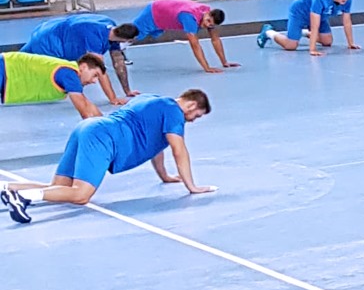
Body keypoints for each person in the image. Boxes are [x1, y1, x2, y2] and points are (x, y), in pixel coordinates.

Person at [2, 90, 213, 221]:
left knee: (61, 187)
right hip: (103, 137)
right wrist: (192, 187)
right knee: (81, 195)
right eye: (197, 115)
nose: (193, 120)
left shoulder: (153, 99)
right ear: (192, 105)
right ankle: (23, 197)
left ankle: (6, 188)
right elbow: (179, 150)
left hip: (87, 127)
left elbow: (156, 146)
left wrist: (164, 176)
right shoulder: (175, 113)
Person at [21, 12, 140, 96]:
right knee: (25, 67)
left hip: (52, 28)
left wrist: (127, 91)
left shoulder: (111, 28)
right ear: (125, 39)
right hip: (48, 42)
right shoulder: (95, 39)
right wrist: (113, 99)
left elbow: (119, 63)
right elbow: (99, 71)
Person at [2, 51, 116, 119]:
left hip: (7, 75)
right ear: (84, 67)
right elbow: (85, 113)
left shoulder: (70, 74)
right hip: (5, 68)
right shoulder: (70, 73)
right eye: (95, 75)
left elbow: (87, 104)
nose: (94, 81)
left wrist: (104, 123)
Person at [133, 0, 234, 74]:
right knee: (132, 35)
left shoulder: (207, 14)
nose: (208, 25)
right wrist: (207, 68)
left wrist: (224, 62)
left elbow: (215, 39)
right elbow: (195, 45)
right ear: (208, 14)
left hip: (164, 17)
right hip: (154, 11)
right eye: (208, 21)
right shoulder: (189, 17)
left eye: (211, 25)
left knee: (138, 35)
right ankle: (122, 51)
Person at [258, 0, 360, 56]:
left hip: (321, 15)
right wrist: (312, 49)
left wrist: (350, 43)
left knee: (327, 42)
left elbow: (347, 22)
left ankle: (303, 32)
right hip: (300, 13)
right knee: (291, 46)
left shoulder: (347, 0)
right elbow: (314, 25)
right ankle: (268, 32)